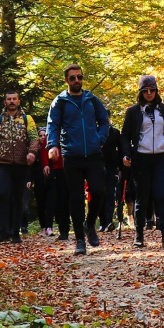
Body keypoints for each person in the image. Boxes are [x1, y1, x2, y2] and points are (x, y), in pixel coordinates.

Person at [45, 64, 113, 257]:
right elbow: (52, 125)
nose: (77, 81)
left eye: (79, 77)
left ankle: (89, 224)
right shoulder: (60, 102)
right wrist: (53, 146)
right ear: (66, 80)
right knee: (75, 198)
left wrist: (99, 139)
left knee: (99, 191)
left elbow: (105, 121)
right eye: (73, 78)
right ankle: (80, 241)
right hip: (72, 156)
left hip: (93, 154)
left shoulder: (91, 99)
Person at [120, 74, 164, 248]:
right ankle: (139, 235)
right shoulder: (133, 111)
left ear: (157, 91)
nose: (149, 93)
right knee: (142, 197)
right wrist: (126, 154)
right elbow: (125, 135)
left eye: (152, 90)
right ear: (141, 92)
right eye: (146, 90)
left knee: (161, 194)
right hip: (141, 157)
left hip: (162, 157)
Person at [0, 90, 37, 244]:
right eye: (9, 99)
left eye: (14, 99)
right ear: (5, 102)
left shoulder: (27, 119)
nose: (12, 101)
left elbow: (34, 138)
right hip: (3, 165)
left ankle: (16, 232)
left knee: (18, 198)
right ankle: (4, 231)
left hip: (21, 165)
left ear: (19, 101)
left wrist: (32, 153)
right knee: (3, 195)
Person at [100, 123, 125, 234]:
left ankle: (109, 221)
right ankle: (102, 222)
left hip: (112, 168)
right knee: (99, 194)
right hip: (98, 167)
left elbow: (120, 151)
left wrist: (120, 168)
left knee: (110, 194)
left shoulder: (115, 133)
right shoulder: (95, 131)